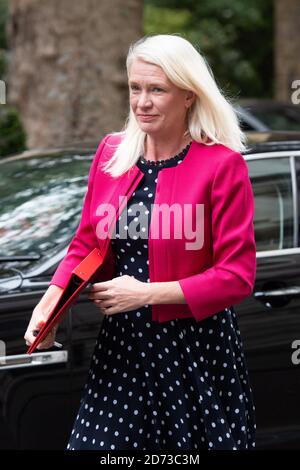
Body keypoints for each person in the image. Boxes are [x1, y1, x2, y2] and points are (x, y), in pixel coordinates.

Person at [24, 33, 257, 450]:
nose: (142, 102)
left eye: (157, 90)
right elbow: (86, 245)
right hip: (123, 348)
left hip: (194, 350)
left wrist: (147, 294)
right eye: (135, 88)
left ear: (188, 95)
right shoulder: (112, 154)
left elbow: (236, 277)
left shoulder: (222, 165)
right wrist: (52, 303)